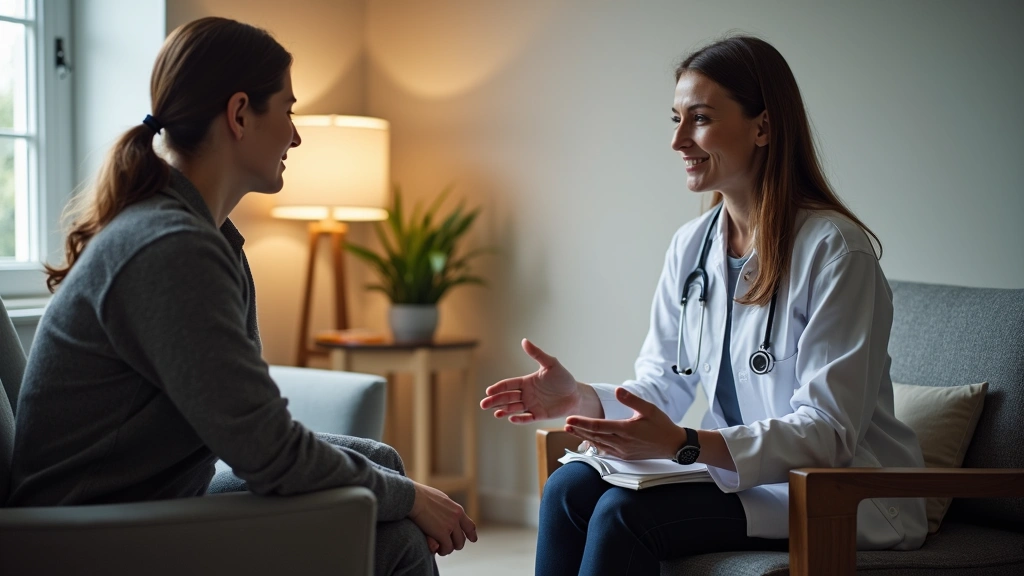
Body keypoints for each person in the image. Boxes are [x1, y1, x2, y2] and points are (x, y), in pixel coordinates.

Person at [6, 17, 475, 575]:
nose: (296, 136)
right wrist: (413, 499)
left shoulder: (197, 235)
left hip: (151, 499)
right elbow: (270, 455)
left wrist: (399, 490)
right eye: (288, 111)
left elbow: (251, 430)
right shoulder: (170, 248)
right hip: (94, 532)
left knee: (382, 466)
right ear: (238, 115)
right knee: (395, 534)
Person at [480, 35, 927, 575]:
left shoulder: (836, 252)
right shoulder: (692, 245)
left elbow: (827, 433)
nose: (678, 141)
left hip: (835, 492)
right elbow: (665, 384)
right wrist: (583, 398)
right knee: (569, 486)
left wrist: (689, 443)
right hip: (738, 474)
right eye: (675, 119)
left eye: (700, 119)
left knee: (625, 514)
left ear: (763, 127)